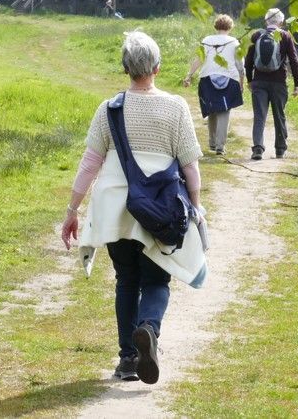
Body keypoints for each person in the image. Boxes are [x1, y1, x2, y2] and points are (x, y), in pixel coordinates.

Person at [60, 30, 205, 385]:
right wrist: (197, 207)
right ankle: (148, 328)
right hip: (160, 209)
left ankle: (128, 359)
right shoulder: (175, 107)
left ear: (126, 68)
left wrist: (73, 210)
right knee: (157, 278)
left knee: (126, 280)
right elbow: (190, 166)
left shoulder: (109, 109)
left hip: (117, 210)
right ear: (157, 66)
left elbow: (89, 163)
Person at [183, 14, 246, 156]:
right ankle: (220, 146)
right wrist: (241, 82)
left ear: (216, 26)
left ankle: (212, 142)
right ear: (230, 27)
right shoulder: (234, 42)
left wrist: (189, 75)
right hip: (229, 79)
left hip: (207, 78)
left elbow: (198, 60)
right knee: (224, 111)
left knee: (211, 109)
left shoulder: (206, 41)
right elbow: (240, 66)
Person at [244, 7, 298, 160]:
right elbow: (294, 61)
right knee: (279, 115)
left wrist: (250, 80)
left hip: (259, 82)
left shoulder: (257, 35)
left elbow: (249, 60)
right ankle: (280, 150)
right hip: (279, 83)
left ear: (266, 21)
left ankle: (257, 149)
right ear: (281, 22)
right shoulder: (286, 36)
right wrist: (297, 84)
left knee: (259, 116)